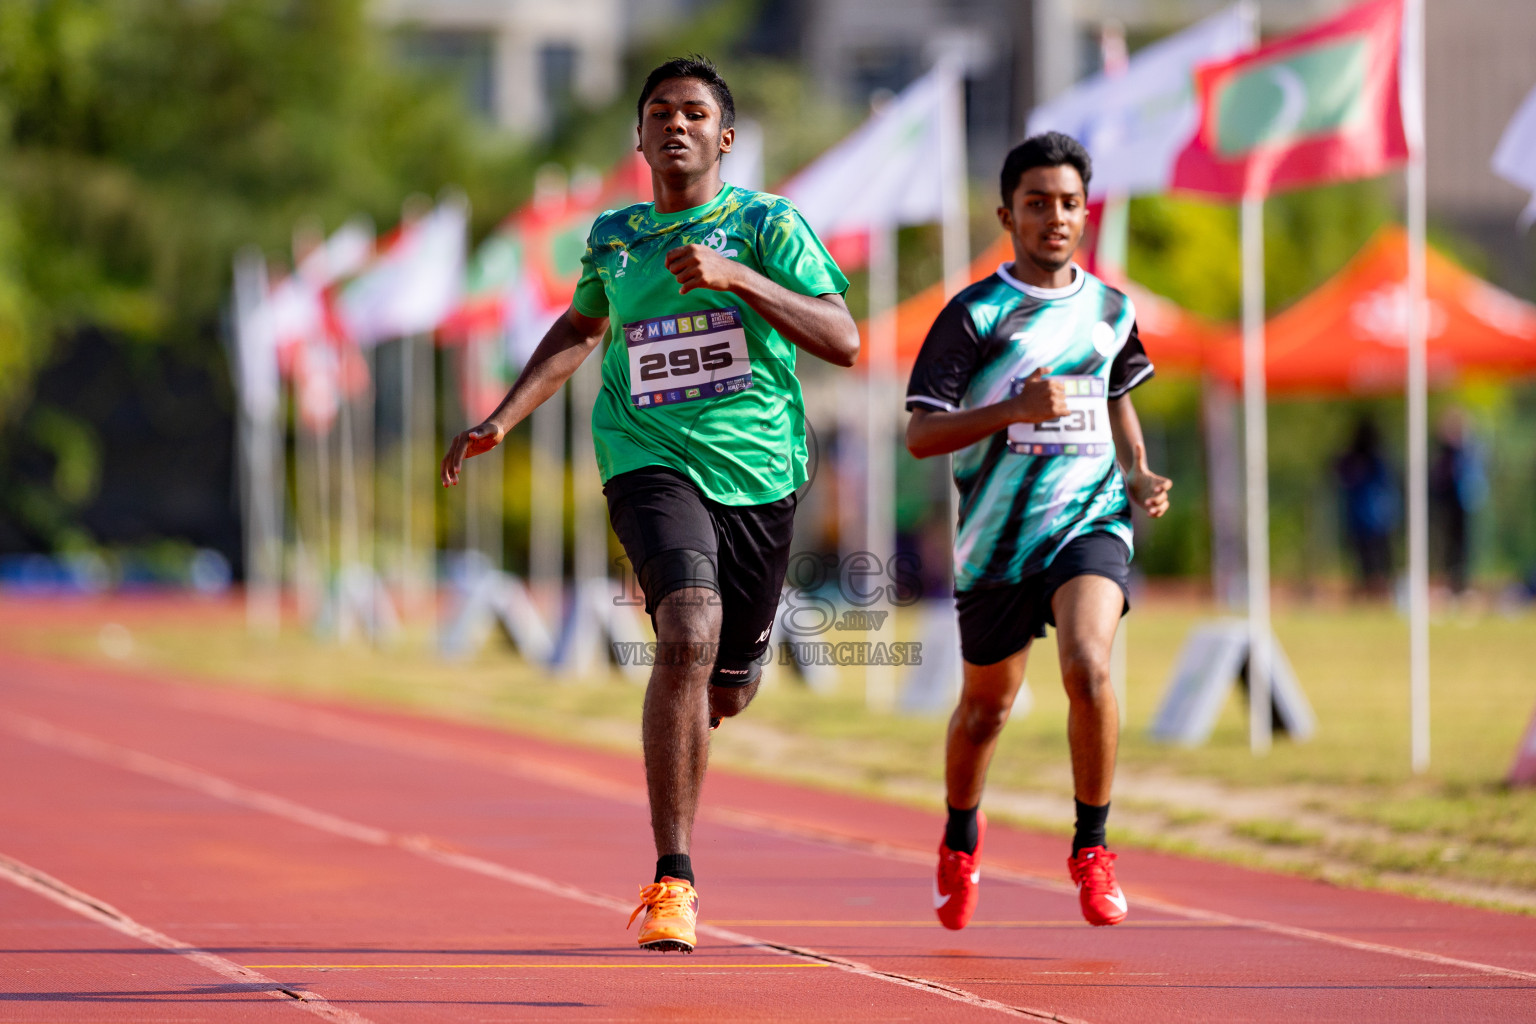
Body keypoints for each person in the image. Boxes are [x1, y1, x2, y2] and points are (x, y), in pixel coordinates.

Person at [441, 55, 857, 953]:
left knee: (728, 688)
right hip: (646, 455)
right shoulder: (615, 236)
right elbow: (582, 328)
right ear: (638, 137)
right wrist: (502, 418)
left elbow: (844, 338)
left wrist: (739, 278)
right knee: (687, 632)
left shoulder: (767, 225)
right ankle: (674, 878)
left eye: (694, 113)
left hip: (760, 474)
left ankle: (701, 704)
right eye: (659, 112)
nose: (675, 124)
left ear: (724, 138)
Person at [904, 132, 1170, 931]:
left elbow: (1117, 392)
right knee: (987, 708)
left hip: (1090, 521)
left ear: (1084, 214)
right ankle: (960, 833)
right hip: (996, 540)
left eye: (1066, 204)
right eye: (1036, 203)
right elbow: (921, 435)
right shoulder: (974, 314)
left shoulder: (1113, 309)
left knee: (1089, 666)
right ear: (1006, 213)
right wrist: (1013, 410)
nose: (1053, 217)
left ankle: (1093, 847)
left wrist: (1136, 471)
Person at [1334, 417, 1398, 599]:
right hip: (1371, 516)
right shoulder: (1367, 458)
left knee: (1373, 557)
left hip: (1371, 516)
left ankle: (1377, 589)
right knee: (1370, 557)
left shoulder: (1375, 459)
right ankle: (1373, 589)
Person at [1429, 408, 1486, 597]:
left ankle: (1461, 583)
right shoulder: (1443, 451)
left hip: (1463, 504)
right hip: (1447, 504)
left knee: (1463, 546)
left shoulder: (1468, 450)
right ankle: (1451, 583)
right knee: (1447, 546)